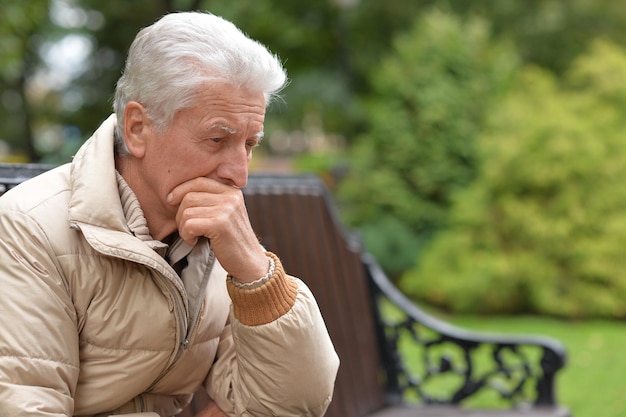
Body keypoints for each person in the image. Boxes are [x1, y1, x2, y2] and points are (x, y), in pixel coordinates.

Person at [0, 11, 339, 417]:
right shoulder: (28, 228)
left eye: (250, 144)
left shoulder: (216, 230)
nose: (240, 175)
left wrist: (255, 273)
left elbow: (291, 405)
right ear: (139, 128)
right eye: (217, 139)